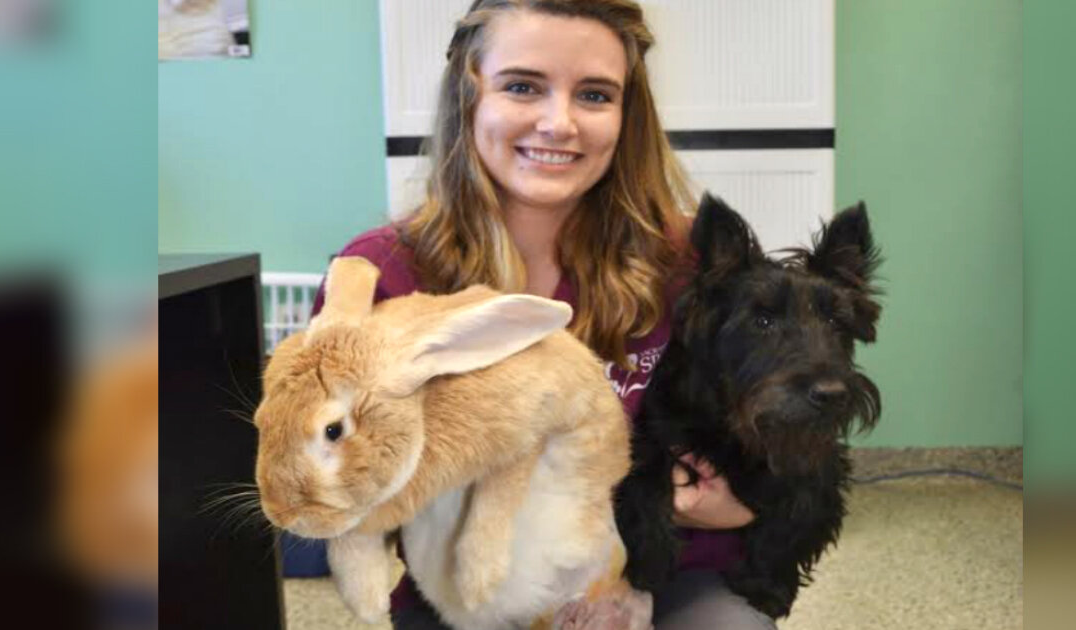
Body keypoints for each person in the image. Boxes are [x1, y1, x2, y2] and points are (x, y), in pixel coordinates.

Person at [312, 1, 772, 628]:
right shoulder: (381, 276)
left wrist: (744, 505)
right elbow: (327, 478)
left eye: (594, 95)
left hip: (663, 572)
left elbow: (787, 415)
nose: (560, 124)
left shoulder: (687, 258)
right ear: (468, 93)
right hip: (475, 589)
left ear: (626, 115)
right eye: (523, 86)